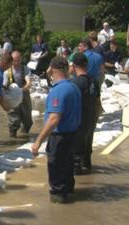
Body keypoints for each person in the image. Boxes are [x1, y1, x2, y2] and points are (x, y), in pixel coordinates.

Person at [31, 56, 81, 203]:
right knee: (67, 166)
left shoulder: (58, 91)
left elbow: (54, 118)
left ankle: (59, 202)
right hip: (72, 135)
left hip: (60, 136)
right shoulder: (73, 87)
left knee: (56, 168)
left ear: (52, 70)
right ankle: (68, 192)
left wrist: (38, 141)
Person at [78, 38, 103, 171]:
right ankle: (87, 162)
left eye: (80, 46)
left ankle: (80, 163)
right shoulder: (98, 56)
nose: (79, 48)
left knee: (80, 134)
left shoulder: (82, 57)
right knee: (89, 132)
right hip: (94, 86)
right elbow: (101, 69)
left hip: (83, 86)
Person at [70, 53, 95, 175]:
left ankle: (77, 173)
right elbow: (98, 101)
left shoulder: (75, 83)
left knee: (76, 147)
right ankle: (87, 166)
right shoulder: (94, 80)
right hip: (91, 116)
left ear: (73, 65)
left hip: (79, 118)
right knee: (87, 143)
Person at [3, 51, 33, 138]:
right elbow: (4, 86)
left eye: (18, 60)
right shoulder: (6, 72)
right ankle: (13, 139)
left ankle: (24, 137)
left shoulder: (25, 69)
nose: (16, 62)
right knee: (14, 121)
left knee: (28, 121)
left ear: (21, 59)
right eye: (14, 60)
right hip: (12, 97)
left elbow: (29, 83)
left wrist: (20, 90)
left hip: (24, 95)